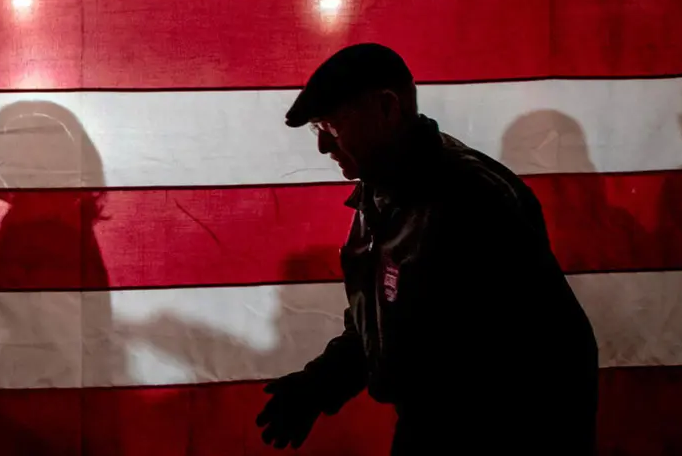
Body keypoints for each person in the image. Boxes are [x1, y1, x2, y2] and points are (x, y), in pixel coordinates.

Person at [255, 44, 599, 455]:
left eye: (331, 125)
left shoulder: (470, 198)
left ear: (386, 108)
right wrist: (318, 385)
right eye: (318, 129)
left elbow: (550, 351)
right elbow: (383, 325)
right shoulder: (379, 195)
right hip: (433, 427)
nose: (323, 147)